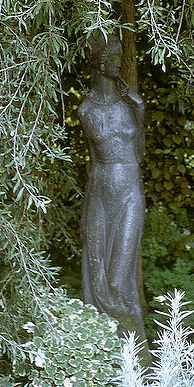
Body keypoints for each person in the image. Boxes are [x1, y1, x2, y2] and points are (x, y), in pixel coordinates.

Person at [78, 32, 146, 344]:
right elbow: (93, 160)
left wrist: (140, 110)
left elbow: (139, 152)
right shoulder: (86, 111)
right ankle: (106, 350)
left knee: (119, 280)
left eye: (120, 57)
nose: (119, 64)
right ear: (100, 62)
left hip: (130, 188)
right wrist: (91, 206)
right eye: (114, 58)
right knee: (99, 274)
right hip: (102, 189)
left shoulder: (129, 104)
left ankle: (133, 348)